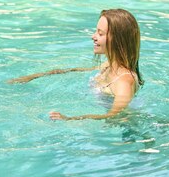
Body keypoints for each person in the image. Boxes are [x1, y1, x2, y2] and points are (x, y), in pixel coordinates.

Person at [8, 9, 144, 120]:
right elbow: (75, 70)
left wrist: (70, 119)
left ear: (117, 40)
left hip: (126, 131)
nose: (93, 36)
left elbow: (114, 116)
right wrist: (36, 76)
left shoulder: (124, 81)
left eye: (100, 33)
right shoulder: (109, 65)